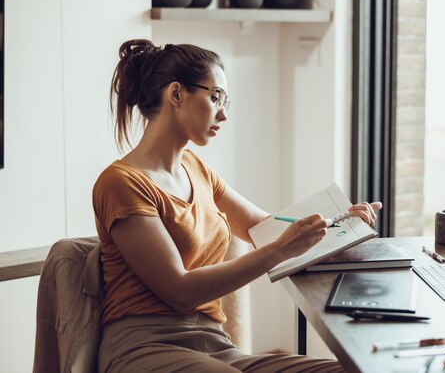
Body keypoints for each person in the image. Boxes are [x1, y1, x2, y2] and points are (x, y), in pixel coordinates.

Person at [92, 39, 383, 373]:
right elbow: (179, 292)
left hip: (214, 343)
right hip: (143, 347)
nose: (224, 113)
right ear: (175, 94)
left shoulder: (195, 168)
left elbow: (263, 227)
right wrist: (279, 251)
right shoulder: (121, 183)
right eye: (215, 97)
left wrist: (340, 224)